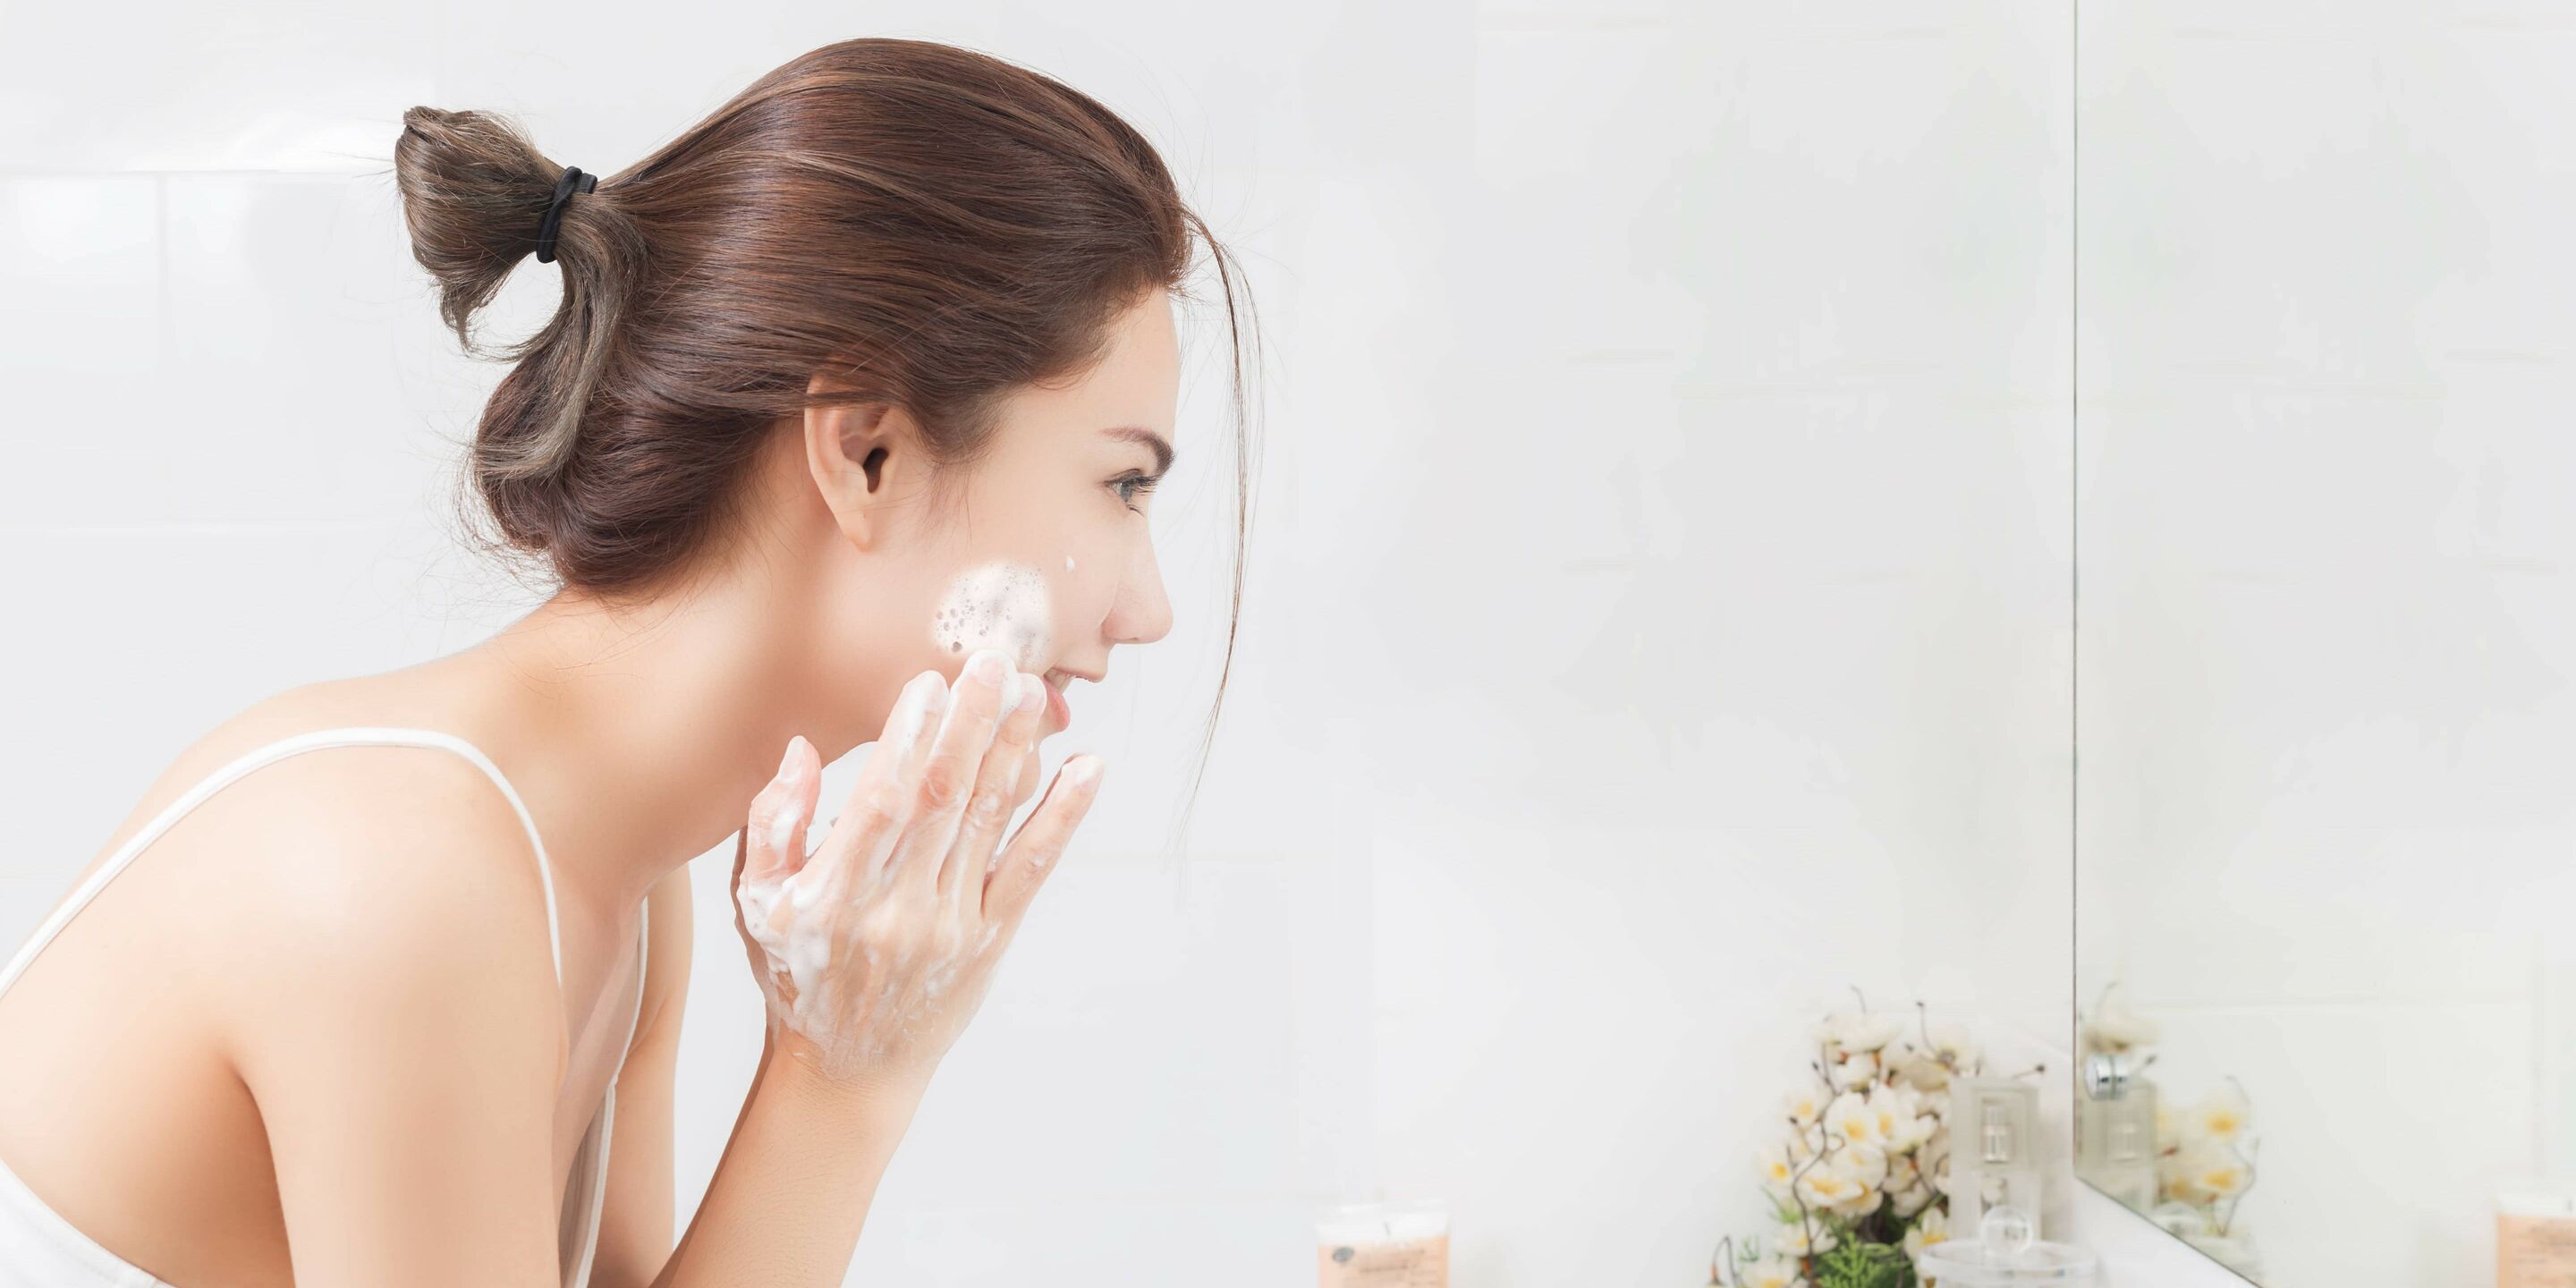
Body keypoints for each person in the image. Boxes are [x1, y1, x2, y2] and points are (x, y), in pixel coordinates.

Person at [0, 35, 1253, 1287]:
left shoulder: (619, 883)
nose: (1148, 610)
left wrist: (860, 1064)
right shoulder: (408, 876)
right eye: (1122, 483)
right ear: (865, 451)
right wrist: (839, 1089)